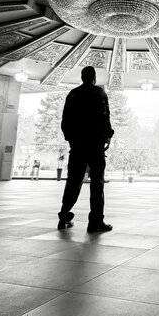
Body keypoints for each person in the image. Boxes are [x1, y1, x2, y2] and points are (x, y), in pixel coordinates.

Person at [57, 65, 114, 233]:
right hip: (95, 145)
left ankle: (64, 215)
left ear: (82, 77)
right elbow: (105, 117)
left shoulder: (73, 94)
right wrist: (108, 135)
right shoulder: (99, 93)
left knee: (73, 181)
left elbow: (65, 121)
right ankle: (95, 221)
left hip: (77, 146)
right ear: (94, 77)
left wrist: (71, 140)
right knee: (97, 183)